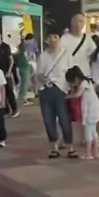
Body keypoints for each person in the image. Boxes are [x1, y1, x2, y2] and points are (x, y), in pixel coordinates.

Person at [37, 28, 77, 159]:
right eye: (50, 37)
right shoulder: (43, 56)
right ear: (46, 40)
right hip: (45, 90)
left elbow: (71, 73)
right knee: (48, 119)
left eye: (55, 37)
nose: (53, 40)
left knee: (64, 119)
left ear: (60, 38)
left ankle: (70, 146)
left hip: (61, 90)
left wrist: (73, 88)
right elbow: (38, 73)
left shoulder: (66, 54)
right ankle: (54, 147)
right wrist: (42, 78)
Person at [66, 66, 99, 160]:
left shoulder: (84, 83)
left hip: (90, 112)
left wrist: (67, 97)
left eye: (72, 82)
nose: (72, 84)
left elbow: (77, 95)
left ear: (76, 78)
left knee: (88, 133)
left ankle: (88, 153)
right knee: (93, 132)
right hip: (94, 111)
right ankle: (96, 152)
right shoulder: (88, 81)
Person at [60, 12, 97, 78]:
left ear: (84, 24)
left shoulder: (88, 39)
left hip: (84, 75)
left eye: (81, 21)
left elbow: (93, 57)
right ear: (71, 22)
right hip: (68, 76)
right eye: (75, 21)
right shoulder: (63, 39)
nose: (78, 24)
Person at [0, 31, 18, 117]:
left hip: (6, 72)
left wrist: (9, 71)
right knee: (1, 93)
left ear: (0, 36)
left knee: (9, 91)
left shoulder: (6, 47)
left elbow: (11, 59)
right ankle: (6, 110)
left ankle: (14, 109)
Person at [16, 36, 33, 105]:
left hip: (21, 66)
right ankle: (23, 99)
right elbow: (26, 56)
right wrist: (29, 58)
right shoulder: (24, 47)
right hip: (24, 66)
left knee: (23, 84)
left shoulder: (20, 46)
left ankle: (21, 98)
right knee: (25, 84)